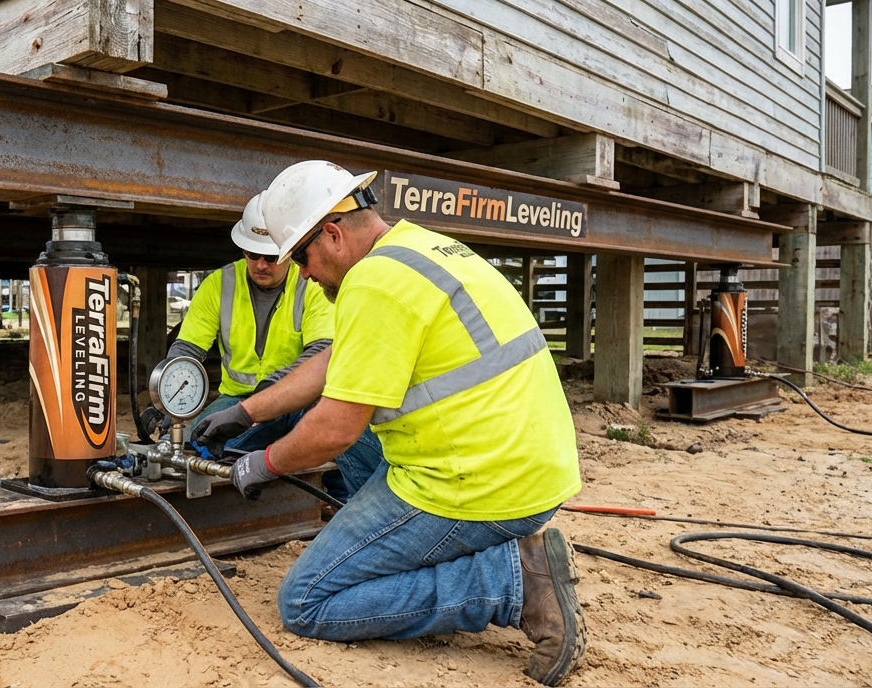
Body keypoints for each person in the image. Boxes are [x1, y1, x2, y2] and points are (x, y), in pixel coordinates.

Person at [201, 161, 585, 685]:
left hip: (472, 482)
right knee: (364, 510)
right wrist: (245, 412)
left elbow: (336, 429)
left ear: (332, 234)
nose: (305, 275)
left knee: (307, 601)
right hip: (522, 463)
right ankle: (488, 563)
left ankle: (512, 582)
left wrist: (262, 464)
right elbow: (339, 360)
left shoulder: (374, 284)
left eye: (303, 258)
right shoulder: (416, 249)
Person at [166, 195, 382, 502]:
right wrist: (171, 399)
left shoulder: (313, 281)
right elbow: (187, 349)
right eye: (253, 255)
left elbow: (322, 351)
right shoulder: (219, 284)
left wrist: (265, 403)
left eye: (271, 256)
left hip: (301, 399)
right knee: (190, 446)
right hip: (236, 399)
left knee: (336, 437)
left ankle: (339, 496)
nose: (261, 264)